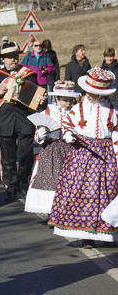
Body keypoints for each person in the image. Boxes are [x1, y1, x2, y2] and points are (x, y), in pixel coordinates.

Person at [49, 68, 118, 243]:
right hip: (81, 153)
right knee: (79, 191)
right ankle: (83, 234)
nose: (90, 95)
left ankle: (103, 233)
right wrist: (68, 136)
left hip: (105, 155)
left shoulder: (112, 111)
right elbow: (66, 127)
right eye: (89, 92)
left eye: (94, 93)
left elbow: (116, 135)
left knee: (104, 192)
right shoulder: (78, 108)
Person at [0, 42, 47, 202]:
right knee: (7, 158)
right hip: (4, 121)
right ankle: (10, 189)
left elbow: (39, 99)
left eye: (14, 56)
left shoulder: (28, 74)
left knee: (26, 156)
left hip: (25, 119)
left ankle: (24, 184)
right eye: (9, 57)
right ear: (3, 59)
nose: (12, 59)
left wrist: (43, 100)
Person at [25, 81, 81, 214]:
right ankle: (51, 211)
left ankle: (67, 209)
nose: (68, 103)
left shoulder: (75, 114)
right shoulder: (47, 113)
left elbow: (80, 130)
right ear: (57, 98)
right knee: (51, 180)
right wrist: (41, 134)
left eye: (70, 100)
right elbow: (37, 138)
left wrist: (73, 137)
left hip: (70, 151)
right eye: (65, 100)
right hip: (51, 150)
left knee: (70, 180)